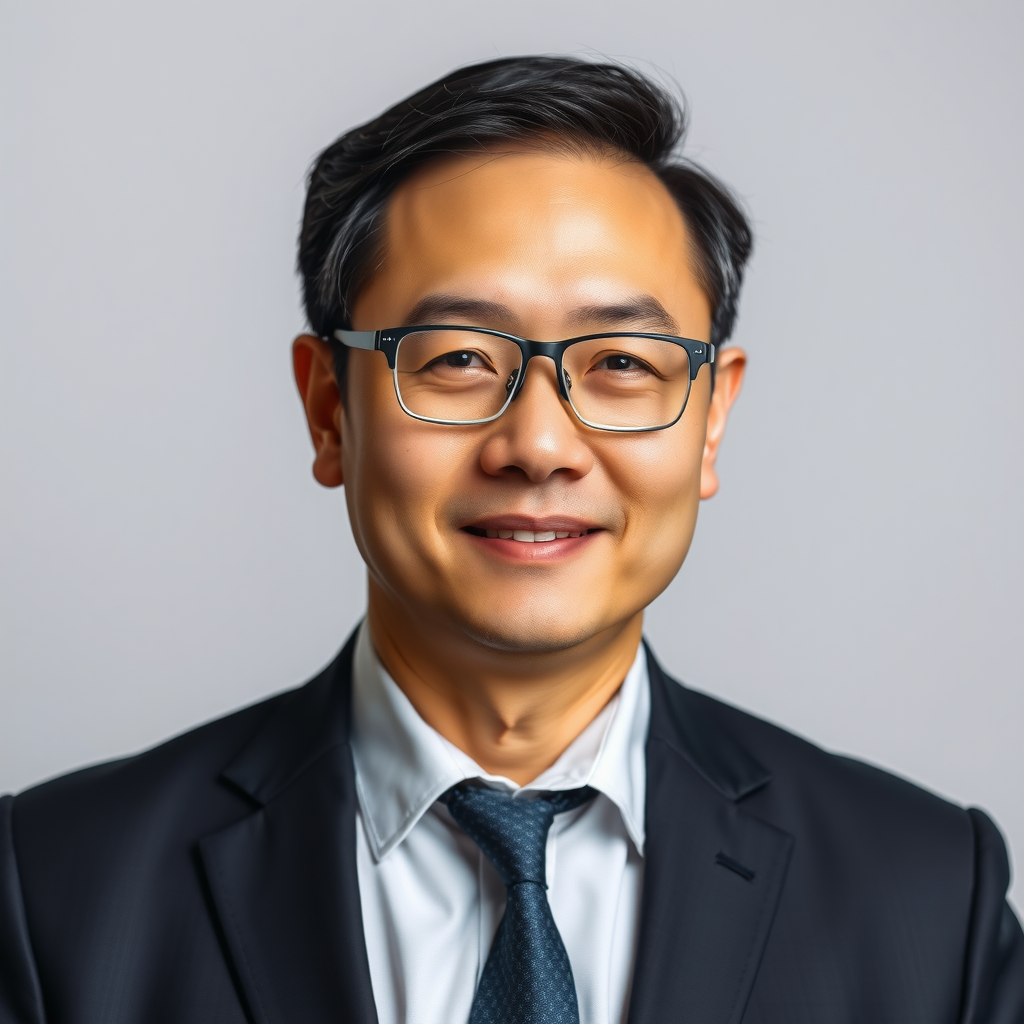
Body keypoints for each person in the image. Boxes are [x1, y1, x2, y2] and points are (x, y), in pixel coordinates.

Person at [0, 55, 1020, 1024]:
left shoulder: (929, 894)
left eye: (622, 360)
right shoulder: (57, 887)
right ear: (327, 410)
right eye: (454, 359)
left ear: (710, 419)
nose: (538, 444)